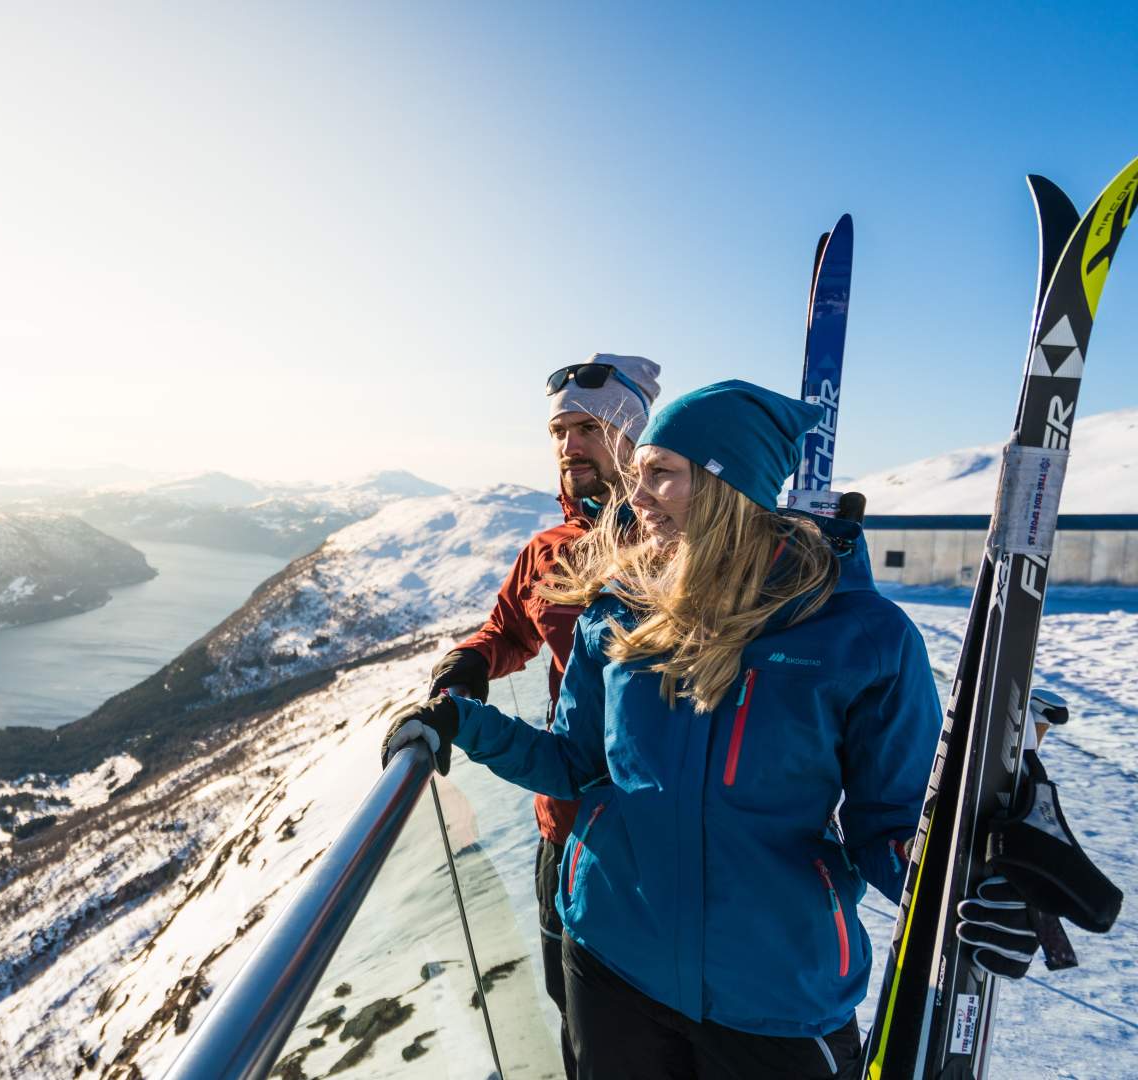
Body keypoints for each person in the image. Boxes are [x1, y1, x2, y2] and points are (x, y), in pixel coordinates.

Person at [385, 380, 940, 1079]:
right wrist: (462, 722)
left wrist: (971, 878)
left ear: (725, 487)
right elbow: (576, 765)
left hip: (771, 993)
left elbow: (893, 826)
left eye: (661, 475)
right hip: (612, 959)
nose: (635, 497)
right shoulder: (617, 611)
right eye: (638, 474)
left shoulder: (859, 639)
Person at [426, 352, 660, 1079]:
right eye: (559, 431)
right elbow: (507, 632)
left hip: (661, 843)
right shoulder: (549, 551)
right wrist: (469, 664)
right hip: (564, 829)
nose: (568, 446)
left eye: (588, 427)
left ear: (633, 437)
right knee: (582, 1028)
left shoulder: (680, 541)